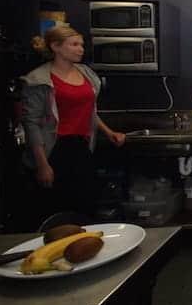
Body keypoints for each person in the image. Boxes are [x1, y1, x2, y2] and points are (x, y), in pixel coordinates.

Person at [21, 26, 126, 223]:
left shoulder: (86, 73)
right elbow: (32, 124)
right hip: (55, 149)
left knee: (85, 205)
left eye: (82, 45)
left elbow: (89, 111)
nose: (81, 49)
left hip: (82, 147)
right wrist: (42, 165)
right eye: (74, 44)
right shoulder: (39, 80)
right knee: (56, 207)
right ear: (56, 47)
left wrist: (109, 132)